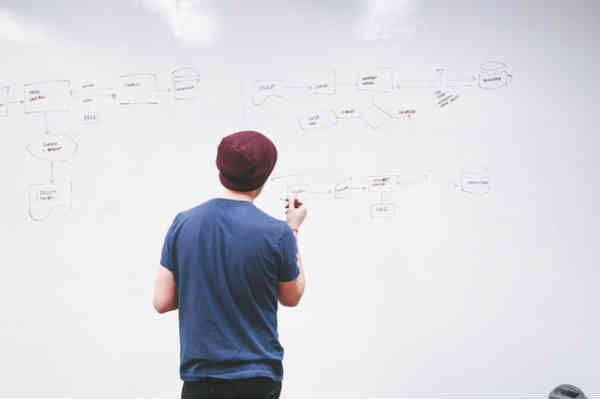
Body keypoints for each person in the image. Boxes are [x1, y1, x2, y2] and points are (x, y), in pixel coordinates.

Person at [152, 130, 307, 399]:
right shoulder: (277, 233)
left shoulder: (183, 224)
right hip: (257, 379)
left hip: (201, 380)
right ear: (264, 177)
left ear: (220, 168)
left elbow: (162, 300)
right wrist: (292, 229)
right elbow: (291, 297)